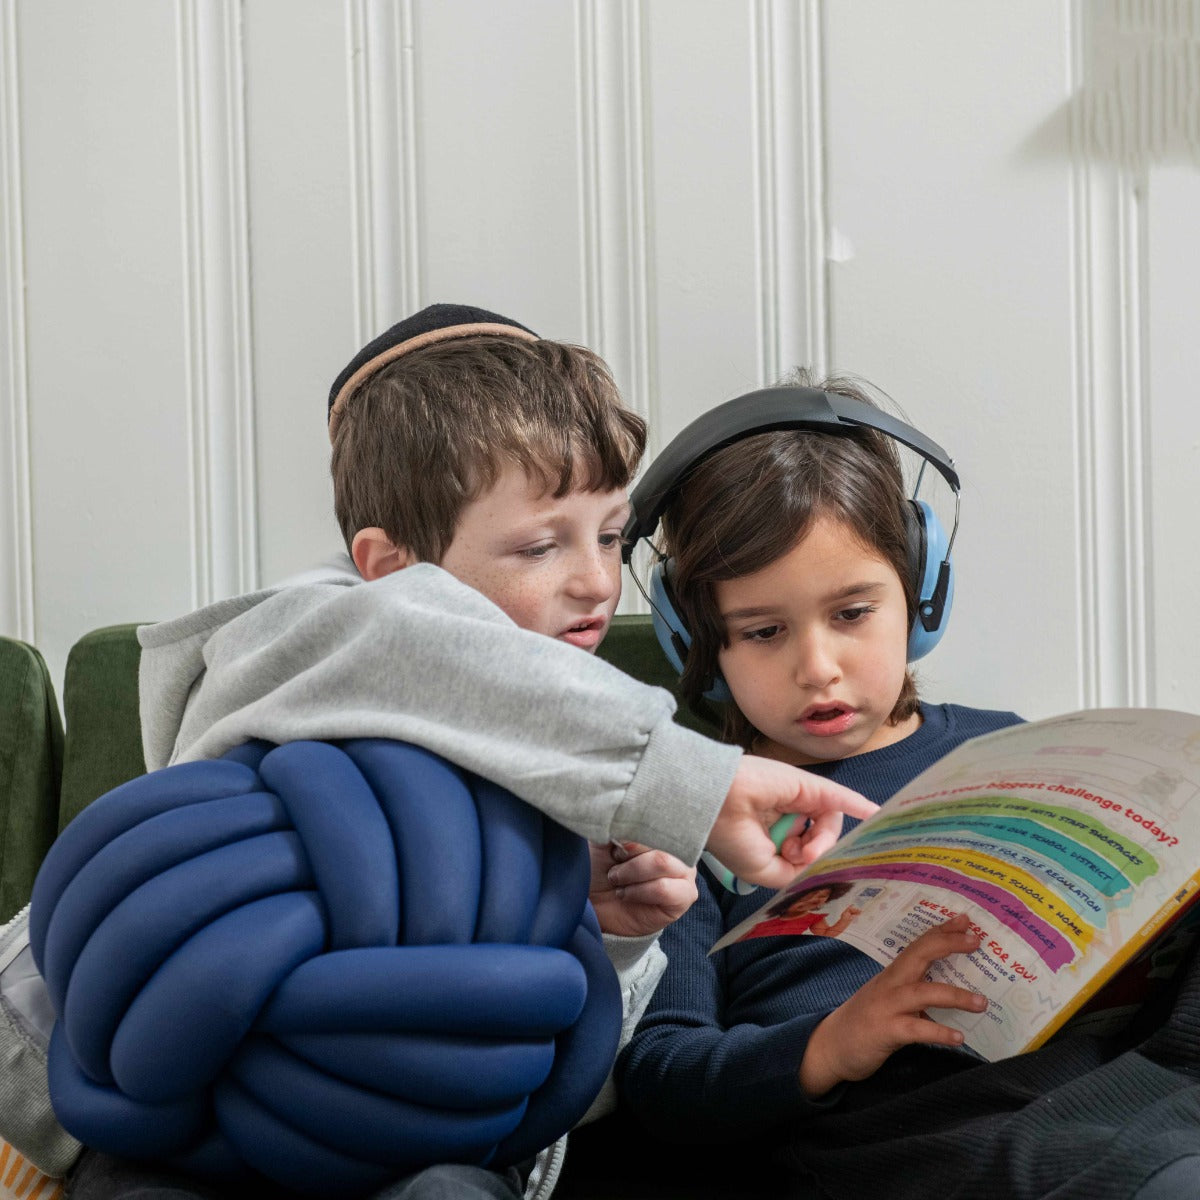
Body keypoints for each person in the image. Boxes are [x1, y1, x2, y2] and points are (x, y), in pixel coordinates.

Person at [21, 307, 877, 1200]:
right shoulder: (297, 649)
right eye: (541, 544)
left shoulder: (585, 773)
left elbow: (551, 1091)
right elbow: (407, 645)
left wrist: (612, 938)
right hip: (200, 1116)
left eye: (611, 534)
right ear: (386, 566)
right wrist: (695, 780)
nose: (593, 579)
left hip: (426, 1145)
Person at [615, 370, 1200, 1200]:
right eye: (763, 631)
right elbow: (666, 1078)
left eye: (852, 614)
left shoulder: (1011, 751)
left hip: (1096, 1077)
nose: (817, 667)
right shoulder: (691, 815)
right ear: (696, 643)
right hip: (890, 1125)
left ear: (921, 595)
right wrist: (831, 1043)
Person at [740, 881, 861, 940]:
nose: (815, 898)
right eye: (813, 893)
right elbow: (745, 935)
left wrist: (844, 920)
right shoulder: (765, 920)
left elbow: (826, 934)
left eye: (823, 896)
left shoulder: (812, 918)